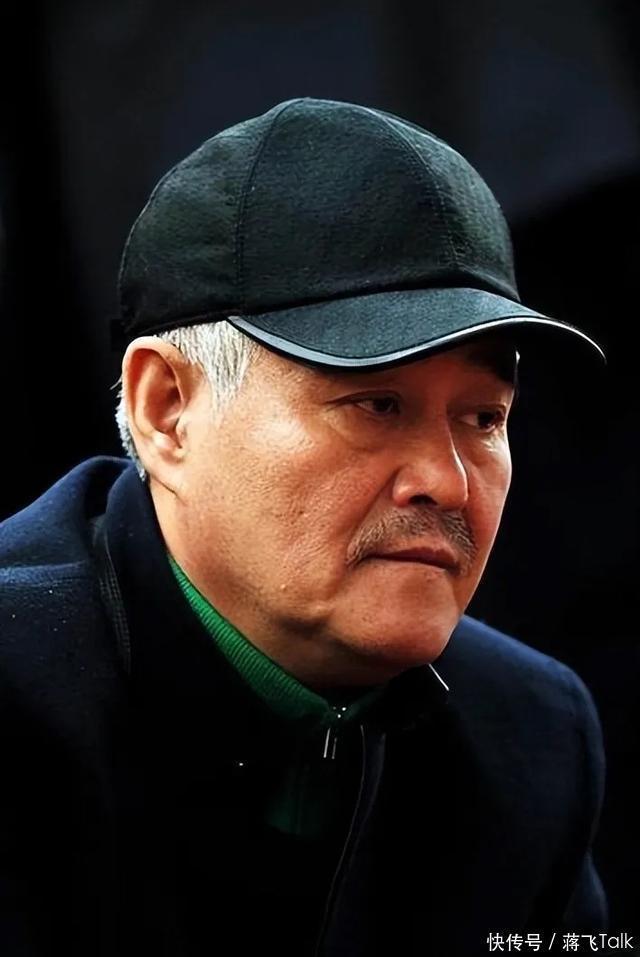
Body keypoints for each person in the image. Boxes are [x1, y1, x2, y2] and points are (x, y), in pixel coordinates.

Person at [0, 98, 607, 957]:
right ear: (168, 410)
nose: (445, 480)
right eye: (376, 404)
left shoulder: (529, 736)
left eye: (483, 418)